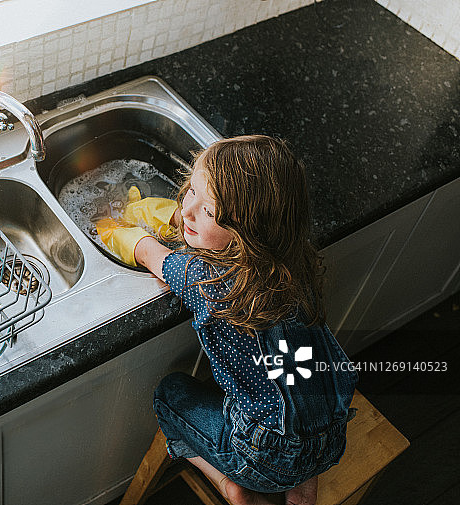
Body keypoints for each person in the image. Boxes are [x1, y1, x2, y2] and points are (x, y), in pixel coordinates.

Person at [96, 135, 358, 505]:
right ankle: (302, 489)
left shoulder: (207, 280)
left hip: (262, 456)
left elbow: (148, 251)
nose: (188, 210)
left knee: (169, 395)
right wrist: (186, 215)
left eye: (208, 211)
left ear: (244, 232)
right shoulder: (295, 259)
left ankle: (232, 486)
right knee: (297, 405)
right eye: (191, 193)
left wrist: (110, 227)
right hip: (332, 434)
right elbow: (194, 219)